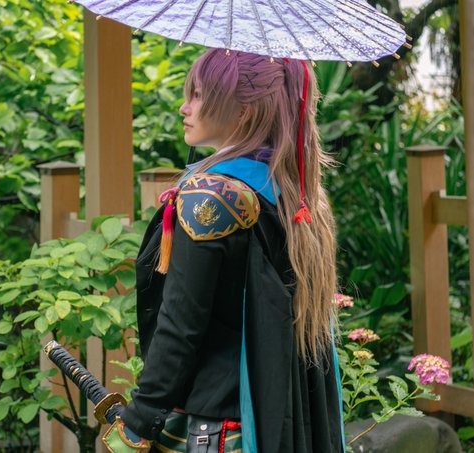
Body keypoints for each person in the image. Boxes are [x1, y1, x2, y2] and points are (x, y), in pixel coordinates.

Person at [109, 49, 345, 453]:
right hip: (279, 418)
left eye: (199, 95)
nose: (184, 107)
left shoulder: (212, 197)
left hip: (217, 430)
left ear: (242, 112)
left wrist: (141, 416)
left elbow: (181, 323)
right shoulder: (296, 191)